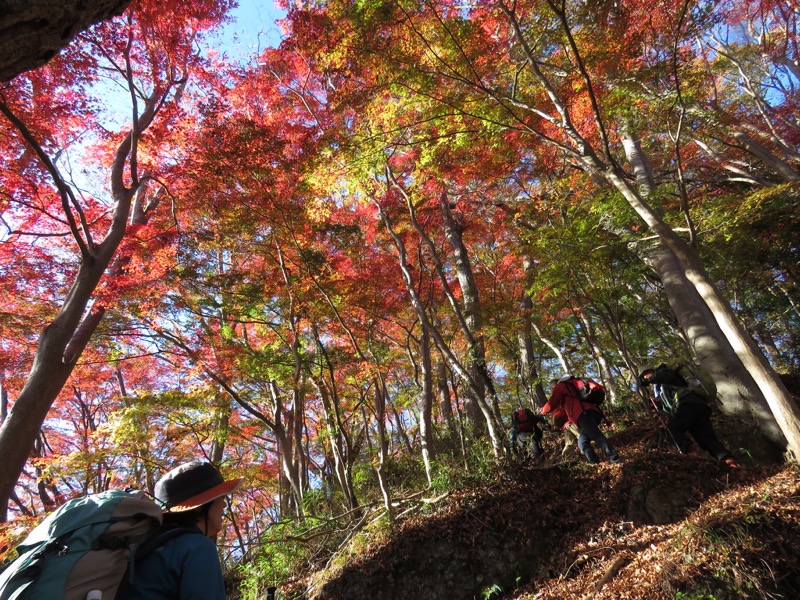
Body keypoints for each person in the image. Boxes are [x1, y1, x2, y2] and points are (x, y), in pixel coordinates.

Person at [117, 461, 243, 600]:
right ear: (202, 506)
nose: (225, 504)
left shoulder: (142, 545)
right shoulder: (196, 547)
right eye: (221, 497)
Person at [639, 364, 739, 469]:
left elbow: (667, 377)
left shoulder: (663, 371)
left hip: (687, 403)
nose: (646, 377)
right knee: (706, 439)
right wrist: (658, 405)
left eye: (646, 374)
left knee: (672, 428)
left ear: (651, 371)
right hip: (697, 406)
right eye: (644, 376)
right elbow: (668, 407)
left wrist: (649, 380)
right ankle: (731, 464)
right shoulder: (660, 387)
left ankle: (695, 458)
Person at [541, 375, 620, 464]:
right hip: (594, 411)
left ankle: (614, 458)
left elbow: (551, 403)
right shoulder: (572, 384)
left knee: (595, 435)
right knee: (582, 442)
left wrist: (542, 411)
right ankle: (594, 463)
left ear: (553, 387)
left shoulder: (560, 386)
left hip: (583, 413)